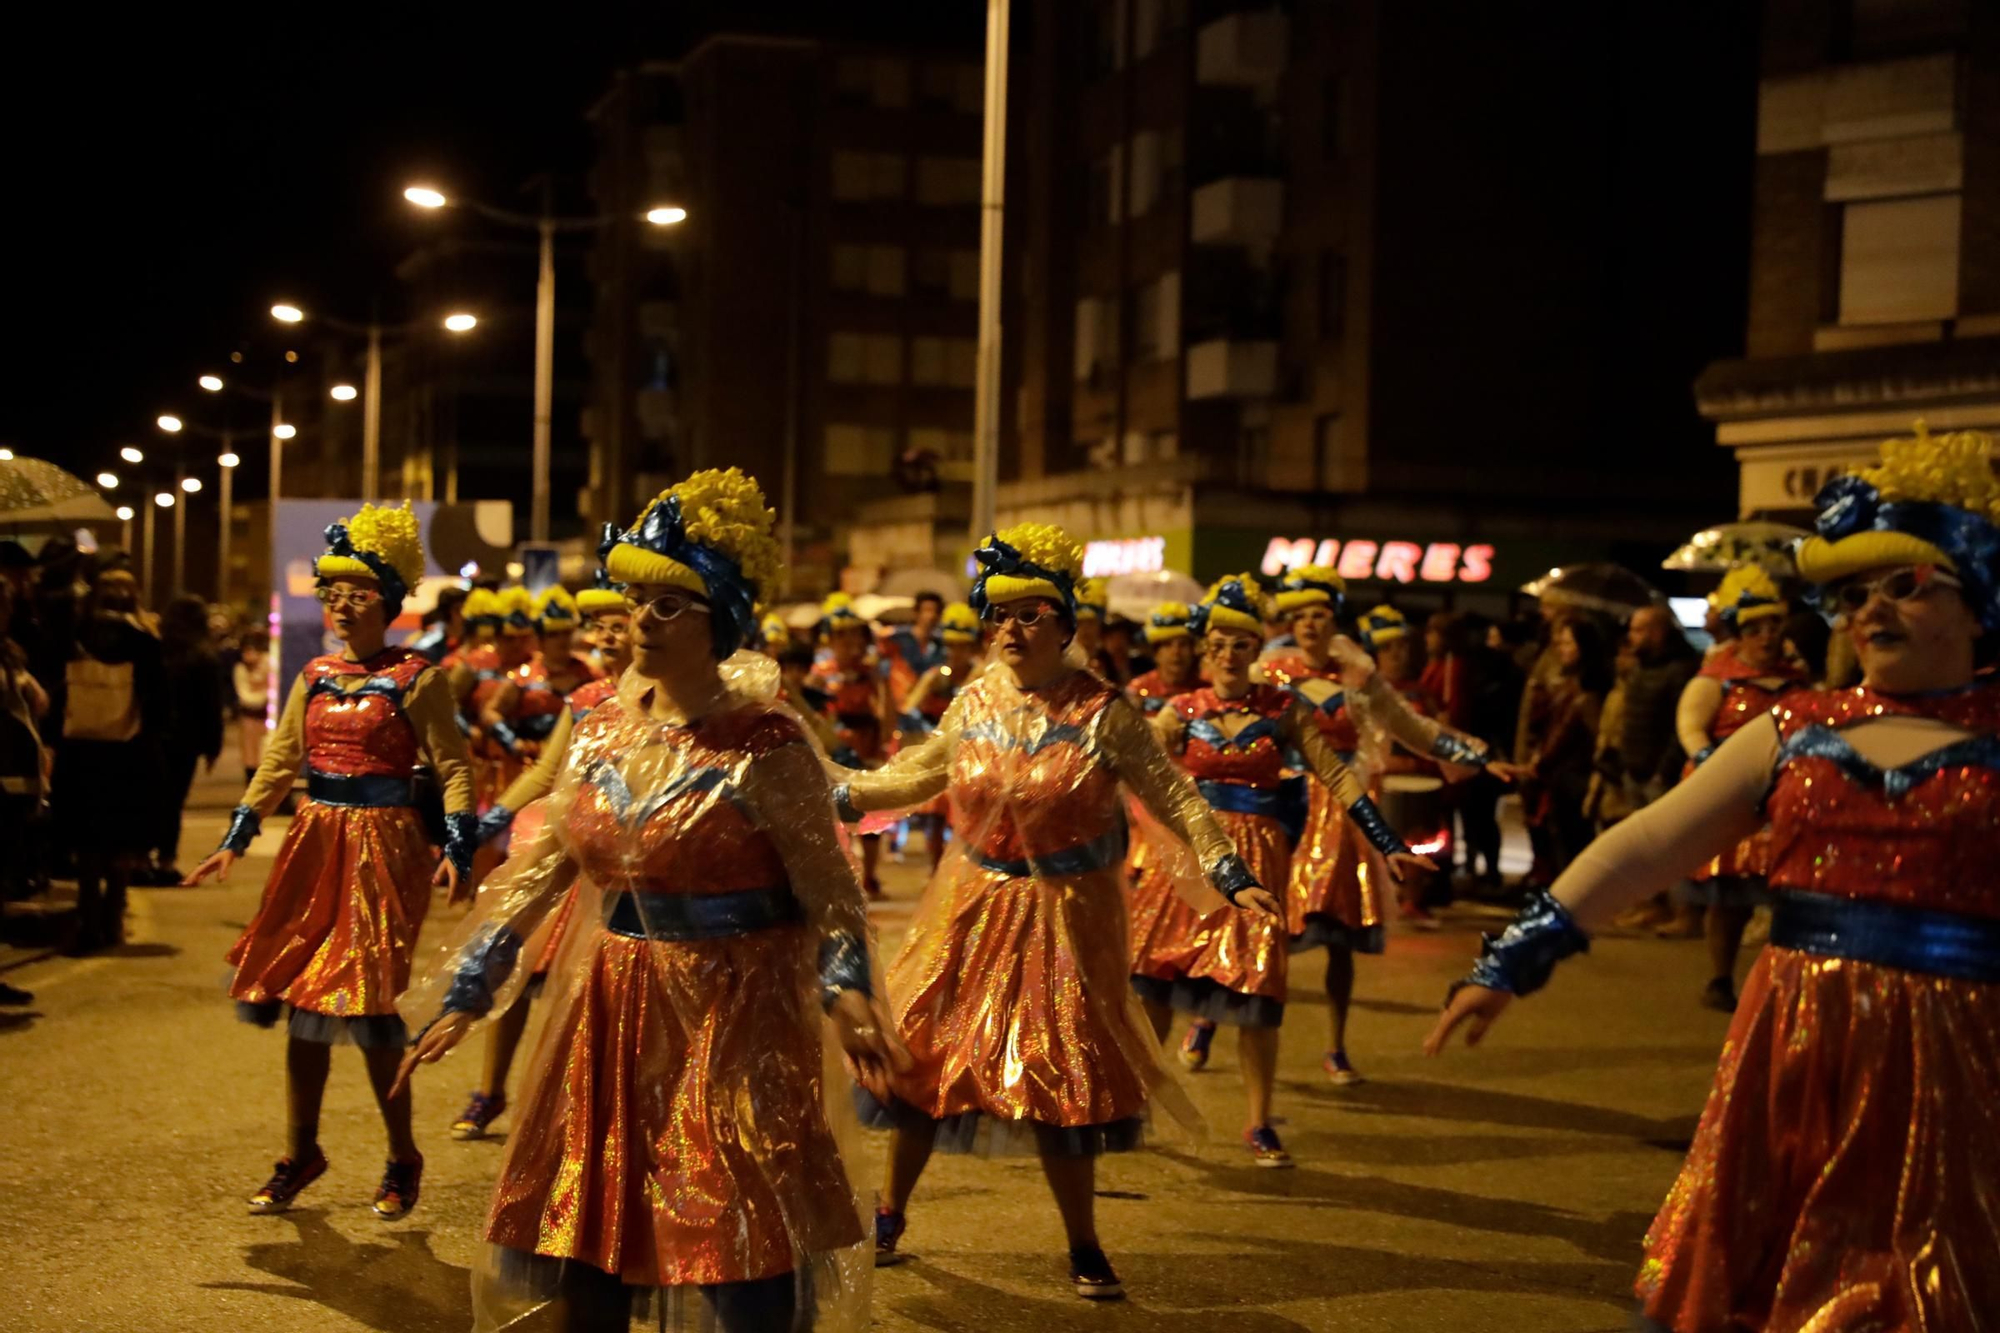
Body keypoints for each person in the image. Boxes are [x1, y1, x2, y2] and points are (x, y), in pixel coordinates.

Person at [1427, 423, 2000, 1331]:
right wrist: (1511, 960)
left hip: (1961, 1058)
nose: (1870, 611)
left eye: (1905, 585)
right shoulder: (1792, 731)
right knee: (1771, 1267)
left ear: (1981, 602)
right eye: (1852, 595)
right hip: (1797, 1046)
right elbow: (1645, 846)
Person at [397, 468, 901, 1332]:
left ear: (724, 620)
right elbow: (545, 865)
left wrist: (847, 988)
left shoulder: (767, 744)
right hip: (613, 1004)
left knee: (734, 1223)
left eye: (670, 604)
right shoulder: (598, 731)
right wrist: (471, 984)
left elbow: (831, 889)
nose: (640, 620)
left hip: (735, 1014)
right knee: (594, 1229)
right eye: (635, 600)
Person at [835, 523, 1282, 1299]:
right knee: (924, 1065)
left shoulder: (1104, 712)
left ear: (1067, 623)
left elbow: (1173, 793)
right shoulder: (973, 702)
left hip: (1064, 919)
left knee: (1061, 1078)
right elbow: (913, 777)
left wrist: (1227, 866)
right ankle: (889, 1212)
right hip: (968, 909)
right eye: (999, 614)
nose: (1011, 628)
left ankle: (1084, 1242)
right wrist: (825, 788)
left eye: (1032, 613)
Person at [185, 505, 475, 1221]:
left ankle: (402, 1154)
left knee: (374, 1009)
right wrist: (236, 834)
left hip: (385, 848)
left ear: (389, 600)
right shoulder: (314, 673)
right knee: (306, 1006)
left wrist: (460, 847)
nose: (342, 605)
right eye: (332, 592)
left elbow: (454, 767)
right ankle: (300, 1151)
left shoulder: (418, 677)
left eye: (359, 592)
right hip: (315, 842)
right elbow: (282, 758)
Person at [1128, 577, 1434, 1166]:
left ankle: (1258, 1122)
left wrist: (1384, 839)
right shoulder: (1182, 710)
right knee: (1162, 982)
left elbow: (1338, 777)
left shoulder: (1283, 710)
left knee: (1259, 990)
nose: (1228, 656)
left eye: (1241, 645)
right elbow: (1131, 756)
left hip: (1260, 859)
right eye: (1217, 644)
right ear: (1203, 649)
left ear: (1256, 648)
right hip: (1194, 860)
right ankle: (1138, 1100)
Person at [1259, 569, 1516, 1083]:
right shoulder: (1269, 673)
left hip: (1346, 813)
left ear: (1334, 619)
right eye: (1300, 614)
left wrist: (1477, 757)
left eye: (1320, 613)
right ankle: (1210, 1018)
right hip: (1282, 808)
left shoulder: (1359, 676)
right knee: (1260, 930)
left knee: (1339, 938)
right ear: (1289, 621)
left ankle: (1336, 1046)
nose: (1309, 623)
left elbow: (1412, 728)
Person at [1672, 565, 1807, 1012]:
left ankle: (1779, 983)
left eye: (1774, 627)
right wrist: (1711, 764)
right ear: (1741, 632)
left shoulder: (1799, 679)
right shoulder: (1717, 678)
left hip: (1784, 796)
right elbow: (1692, 726)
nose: (1766, 636)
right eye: (1757, 628)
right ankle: (1721, 977)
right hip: (1733, 795)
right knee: (1728, 900)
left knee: (1787, 897)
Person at [48, 551, 166, 952]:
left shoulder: (77, 634)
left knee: (86, 842)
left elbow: (56, 688)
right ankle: (113, 915)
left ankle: (88, 919)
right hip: (128, 754)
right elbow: (158, 704)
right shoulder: (144, 638)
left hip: (80, 752)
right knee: (121, 841)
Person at [813, 592, 893, 896]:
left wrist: (884, 744)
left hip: (865, 745)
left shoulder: (871, 672)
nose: (850, 644)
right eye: (842, 637)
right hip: (832, 748)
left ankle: (870, 876)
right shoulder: (821, 673)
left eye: (854, 637)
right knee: (832, 815)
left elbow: (886, 712)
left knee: (868, 813)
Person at [897, 601, 982, 874]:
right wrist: (927, 725)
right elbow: (909, 707)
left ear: (971, 647)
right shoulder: (935, 676)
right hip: (941, 751)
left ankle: (966, 870)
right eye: (951, 646)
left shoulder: (980, 675)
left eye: (962, 646)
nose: (956, 652)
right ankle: (936, 870)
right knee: (933, 814)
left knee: (967, 816)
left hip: (973, 751)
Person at [1523, 617, 1612, 875]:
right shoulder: (1566, 685)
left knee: (1574, 845)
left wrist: (1542, 760)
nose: (1561, 649)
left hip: (1575, 778)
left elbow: (1593, 737)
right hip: (1560, 777)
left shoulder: (1588, 694)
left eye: (1568, 643)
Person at [150, 594, 225, 885]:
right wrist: (212, 745)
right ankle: (166, 861)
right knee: (173, 801)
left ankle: (141, 857)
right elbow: (211, 704)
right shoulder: (203, 656)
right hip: (186, 741)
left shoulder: (156, 649)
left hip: (154, 735)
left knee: (151, 797)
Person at [1125, 601, 1204, 714]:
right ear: (1156, 653)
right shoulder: (1137, 690)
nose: (1176, 652)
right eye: (1167, 645)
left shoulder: (1204, 691)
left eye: (1183, 644)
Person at [233, 631, 272, 783]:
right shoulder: (241, 669)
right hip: (250, 717)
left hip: (266, 717)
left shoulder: (268, 665)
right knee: (250, 753)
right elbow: (245, 696)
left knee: (266, 752)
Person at [410, 585, 468, 664]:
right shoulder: (431, 640)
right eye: (458, 610)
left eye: (466, 609)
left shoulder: (473, 636)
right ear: (446, 612)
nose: (464, 614)